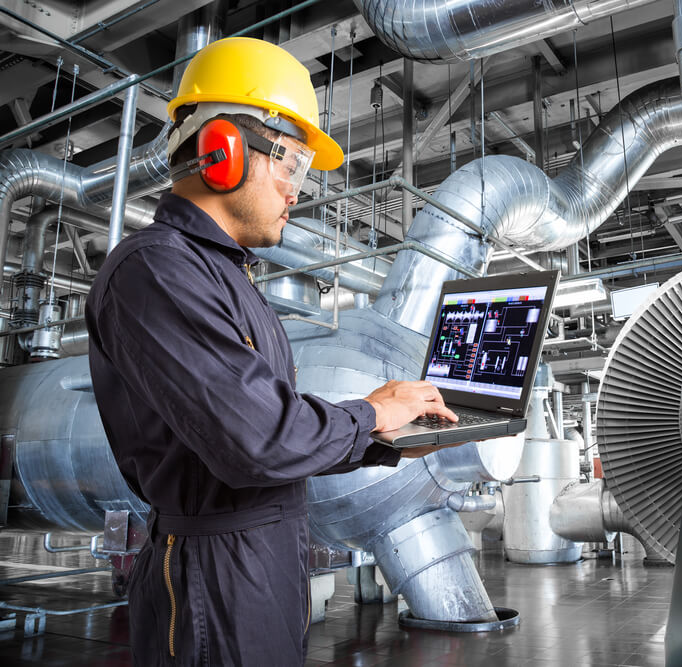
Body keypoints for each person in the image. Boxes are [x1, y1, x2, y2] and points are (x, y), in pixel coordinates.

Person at [85, 37, 458, 666]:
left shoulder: (222, 275)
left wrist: (383, 437)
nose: (297, 191)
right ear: (222, 151)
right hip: (214, 583)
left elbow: (264, 423)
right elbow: (256, 440)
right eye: (290, 164)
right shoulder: (156, 272)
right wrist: (368, 414)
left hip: (258, 566)